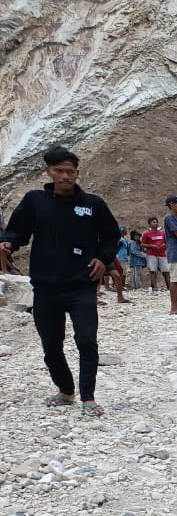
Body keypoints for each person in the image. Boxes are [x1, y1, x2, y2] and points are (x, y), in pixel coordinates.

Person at [0, 145, 119, 417]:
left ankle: (88, 396)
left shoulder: (93, 204)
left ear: (77, 173)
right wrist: (7, 243)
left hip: (83, 285)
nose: (65, 176)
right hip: (45, 287)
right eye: (59, 171)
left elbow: (111, 236)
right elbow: (18, 232)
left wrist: (103, 258)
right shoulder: (34, 201)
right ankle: (66, 390)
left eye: (70, 171)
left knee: (87, 340)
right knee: (51, 345)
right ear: (49, 172)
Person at [140, 216, 169, 293]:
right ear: (149, 224)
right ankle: (154, 287)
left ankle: (169, 287)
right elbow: (142, 244)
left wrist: (164, 246)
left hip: (162, 254)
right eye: (153, 222)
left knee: (166, 270)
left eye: (156, 222)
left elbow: (168, 243)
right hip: (151, 254)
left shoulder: (163, 233)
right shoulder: (146, 234)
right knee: (153, 270)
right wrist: (151, 246)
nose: (155, 223)